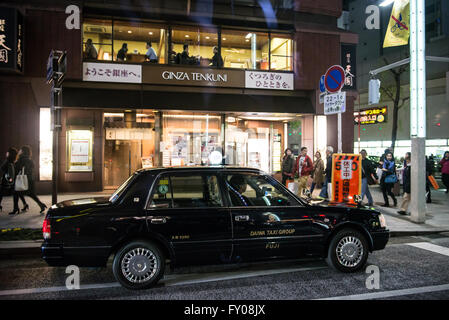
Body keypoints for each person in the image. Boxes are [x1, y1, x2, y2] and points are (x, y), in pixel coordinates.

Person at [9, 146, 47, 215]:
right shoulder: (30, 160)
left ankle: (15, 208)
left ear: (23, 151)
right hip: (29, 179)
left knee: (16, 193)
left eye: (20, 150)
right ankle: (41, 205)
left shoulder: (21, 159)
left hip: (22, 179)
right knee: (30, 194)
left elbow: (17, 169)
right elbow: (32, 168)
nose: (19, 151)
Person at [0, 148, 25, 212]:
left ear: (10, 154)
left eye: (8, 152)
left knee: (2, 193)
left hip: (6, 180)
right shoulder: (13, 161)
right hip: (10, 180)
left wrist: (10, 179)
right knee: (15, 194)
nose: (6, 153)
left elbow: (8, 171)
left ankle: (16, 208)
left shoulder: (8, 161)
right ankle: (16, 208)